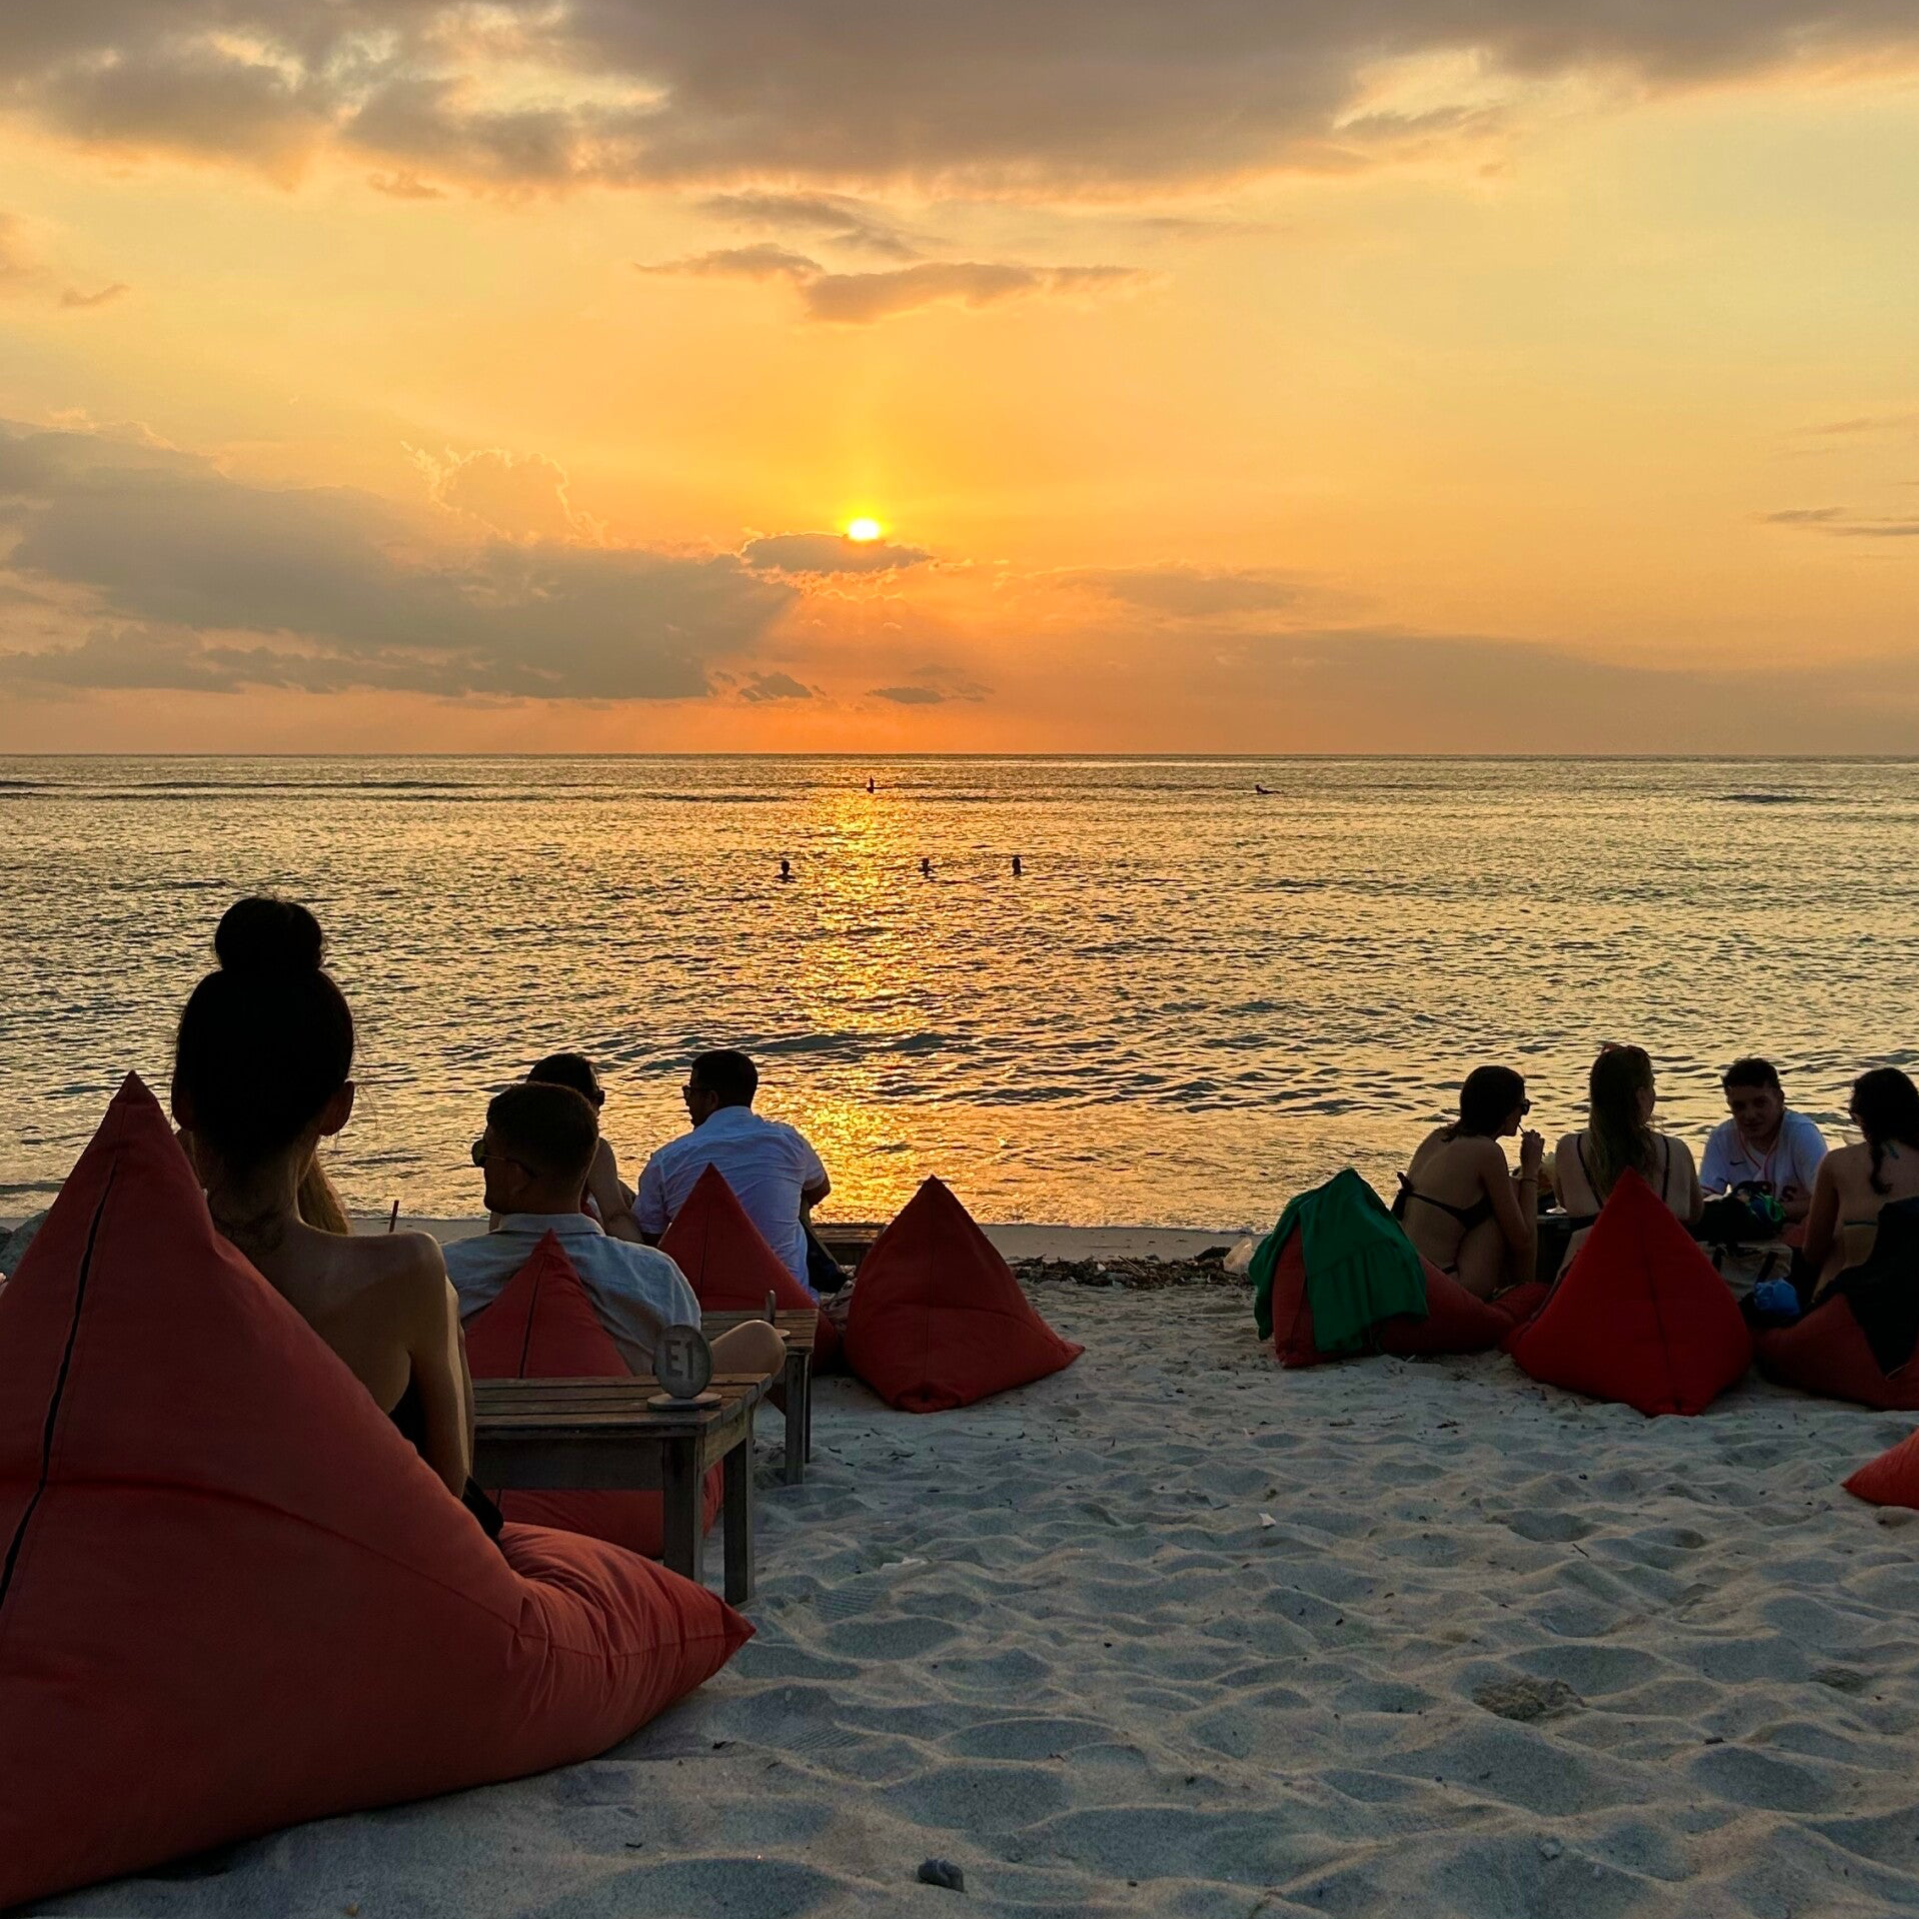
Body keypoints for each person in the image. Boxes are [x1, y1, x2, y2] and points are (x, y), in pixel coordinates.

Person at [172, 897, 480, 1509]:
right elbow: (451, 1499)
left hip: (185, 1586)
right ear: (338, 1108)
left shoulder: (129, 1273)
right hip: (361, 1591)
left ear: (182, 1102)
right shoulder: (406, 1274)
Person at [445, 1081, 785, 1378]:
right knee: (760, 1338)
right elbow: (680, 1382)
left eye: (483, 1153)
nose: (481, 1165)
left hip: (476, 1448)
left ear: (517, 1177)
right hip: (631, 1448)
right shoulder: (654, 1276)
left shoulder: (448, 1275)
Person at [634, 1050, 831, 1290]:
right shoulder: (788, 1141)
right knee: (796, 1200)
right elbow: (820, 1188)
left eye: (690, 1092)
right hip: (787, 1299)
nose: (687, 1101)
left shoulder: (668, 1160)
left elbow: (648, 1235)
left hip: (701, 1305)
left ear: (711, 1099)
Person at [1392, 1067, 1543, 1298]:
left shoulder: (1438, 1137)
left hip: (1409, 1275)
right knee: (1514, 1193)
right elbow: (1522, 1240)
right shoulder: (1488, 1151)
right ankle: (1525, 1296)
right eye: (1523, 1107)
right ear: (1505, 1111)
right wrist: (1531, 1169)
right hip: (1444, 1288)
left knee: (1509, 1189)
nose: (1523, 1115)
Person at [1553, 1044, 1702, 1228]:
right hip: (1662, 1256)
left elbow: (1564, 1202)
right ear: (1641, 1096)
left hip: (1600, 1256)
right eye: (1652, 1086)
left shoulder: (1570, 1150)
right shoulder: (1676, 1151)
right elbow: (1695, 1214)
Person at [1800, 1068, 1919, 1296]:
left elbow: (1813, 1252)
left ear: (1861, 1118)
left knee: (1843, 1238)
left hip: (1860, 1305)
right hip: (1911, 1295)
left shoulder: (1838, 1162)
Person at [1700, 1058, 1826, 1223]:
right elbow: (1703, 1197)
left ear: (1780, 1099)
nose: (1750, 1115)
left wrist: (1773, 1211)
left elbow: (1827, 1202)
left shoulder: (1801, 1132)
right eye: (1739, 1106)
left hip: (1798, 1228)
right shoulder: (1722, 1137)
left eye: (1760, 1103)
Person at [525, 1051, 633, 1229]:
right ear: (581, 1104)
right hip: (571, 1242)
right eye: (598, 1099)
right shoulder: (591, 1148)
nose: (599, 1110)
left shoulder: (511, 1146)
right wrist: (645, 1254)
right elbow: (615, 1216)